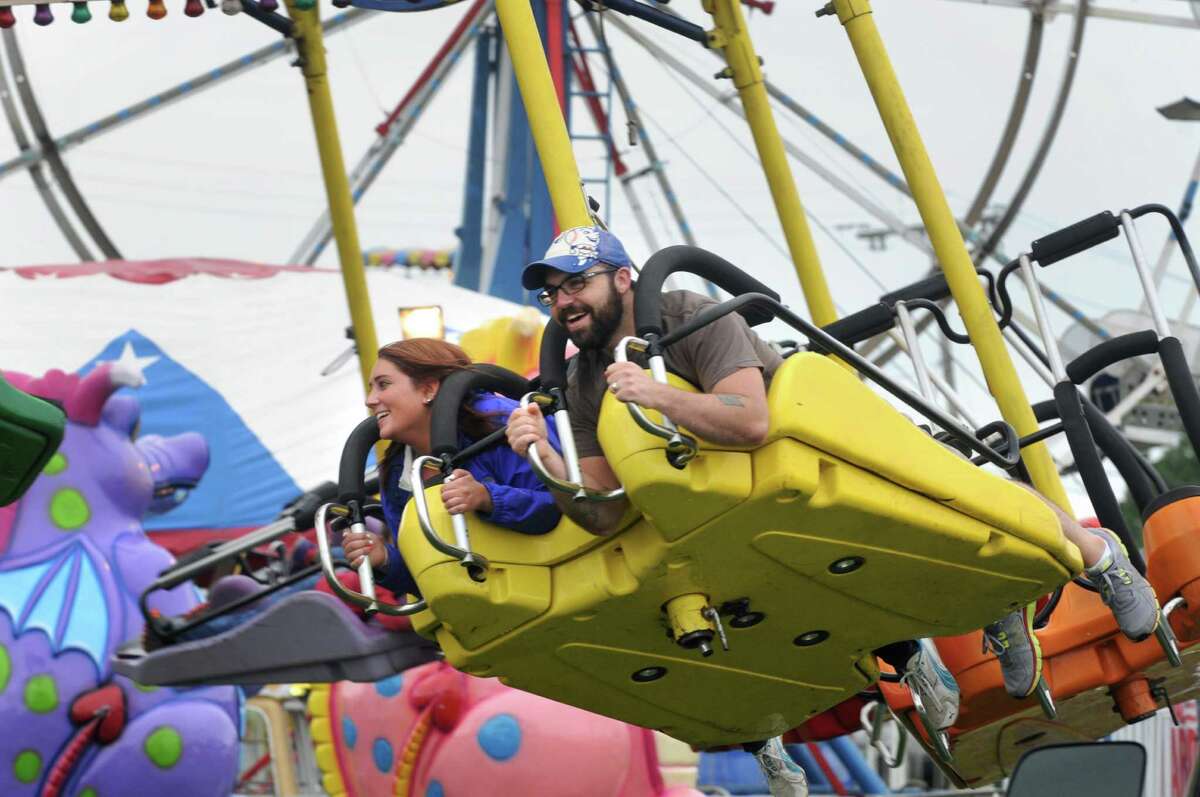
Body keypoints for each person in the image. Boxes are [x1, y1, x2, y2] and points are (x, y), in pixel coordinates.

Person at [506, 225, 1159, 790]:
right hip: (735, 507)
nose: (563, 301)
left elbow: (752, 418)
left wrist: (657, 396)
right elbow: (601, 505)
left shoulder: (685, 313)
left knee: (961, 499)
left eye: (576, 283)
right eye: (552, 292)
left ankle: (1101, 560)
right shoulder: (585, 376)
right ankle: (909, 658)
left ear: (624, 278)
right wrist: (546, 460)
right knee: (779, 594)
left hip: (821, 445)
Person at [345, 339, 561, 598]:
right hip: (488, 606)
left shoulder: (496, 420)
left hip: (554, 578)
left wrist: (487, 498)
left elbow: (561, 506)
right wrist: (384, 560)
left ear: (428, 389)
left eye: (383, 384)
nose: (370, 400)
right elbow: (430, 578)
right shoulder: (397, 474)